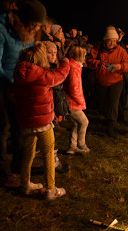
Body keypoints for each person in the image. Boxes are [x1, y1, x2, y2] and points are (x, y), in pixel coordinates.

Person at [0, 0, 46, 189]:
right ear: (22, 20)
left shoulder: (30, 34)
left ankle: (20, 163)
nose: (38, 29)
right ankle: (2, 173)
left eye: (40, 25)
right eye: (35, 24)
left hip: (12, 82)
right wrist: (9, 87)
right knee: (2, 122)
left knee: (20, 122)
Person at [13, 44, 70, 200]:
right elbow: (59, 75)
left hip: (26, 122)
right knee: (48, 153)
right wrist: (65, 62)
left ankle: (25, 185)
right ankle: (51, 189)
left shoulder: (18, 73)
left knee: (28, 153)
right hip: (43, 123)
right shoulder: (40, 74)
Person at [86, 26, 128, 138]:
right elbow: (89, 61)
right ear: (105, 40)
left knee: (113, 104)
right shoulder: (98, 49)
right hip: (101, 81)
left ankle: (111, 128)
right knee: (104, 103)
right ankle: (106, 120)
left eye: (114, 41)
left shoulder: (121, 51)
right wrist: (98, 63)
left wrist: (120, 66)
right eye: (110, 40)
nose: (112, 43)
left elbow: (127, 65)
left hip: (116, 81)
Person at [45, 41, 70, 173]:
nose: (53, 55)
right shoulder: (46, 69)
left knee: (51, 135)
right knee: (49, 138)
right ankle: (51, 163)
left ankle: (51, 161)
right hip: (47, 107)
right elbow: (56, 80)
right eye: (50, 52)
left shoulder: (54, 66)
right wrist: (65, 65)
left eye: (55, 52)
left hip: (53, 106)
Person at [63, 44, 90, 154]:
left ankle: (72, 146)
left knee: (76, 123)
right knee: (84, 121)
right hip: (72, 102)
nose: (85, 57)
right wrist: (80, 100)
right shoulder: (74, 68)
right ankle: (81, 143)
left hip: (70, 101)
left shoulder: (74, 66)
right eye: (83, 55)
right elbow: (74, 87)